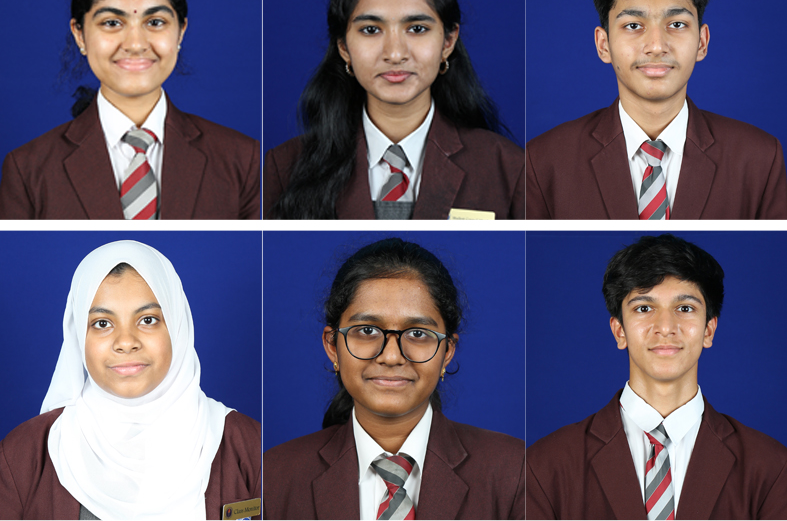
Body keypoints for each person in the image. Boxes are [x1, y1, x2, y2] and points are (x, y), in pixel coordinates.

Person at [526, 234, 787, 519]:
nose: (665, 327)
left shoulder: (771, 467)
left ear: (708, 331)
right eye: (644, 308)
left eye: (685, 308)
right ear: (619, 331)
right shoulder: (545, 465)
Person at [525, 0, 787, 219]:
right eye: (633, 25)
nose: (656, 45)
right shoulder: (543, 160)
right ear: (604, 45)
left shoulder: (759, 158)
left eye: (676, 24)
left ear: (702, 42)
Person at [263, 238, 525, 519]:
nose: (391, 357)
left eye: (417, 334)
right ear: (332, 345)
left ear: (447, 351)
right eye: (366, 331)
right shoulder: (272, 476)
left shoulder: (515, 470)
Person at [0, 240, 261, 519]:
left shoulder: (247, 446)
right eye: (102, 323)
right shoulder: (23, 455)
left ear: (177, 327)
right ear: (78, 335)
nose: (125, 342)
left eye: (147, 320)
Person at [263, 0, 526, 220]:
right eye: (371, 30)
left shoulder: (507, 167)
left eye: (417, 29)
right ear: (343, 46)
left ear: (448, 42)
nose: (395, 54)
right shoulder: (285, 166)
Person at [0, 0, 260, 220]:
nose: (135, 44)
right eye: (112, 22)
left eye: (155, 22)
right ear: (79, 35)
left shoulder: (242, 159)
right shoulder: (27, 170)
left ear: (181, 31)